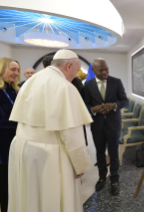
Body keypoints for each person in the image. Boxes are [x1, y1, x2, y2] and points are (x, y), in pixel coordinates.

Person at [8, 49, 93, 212]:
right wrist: (80, 165)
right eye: (76, 71)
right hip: (47, 155)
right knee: (50, 200)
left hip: (21, 148)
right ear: (69, 66)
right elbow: (72, 134)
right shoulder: (64, 87)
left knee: (27, 198)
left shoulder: (31, 81)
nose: (76, 76)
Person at [84, 58, 128, 195]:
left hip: (113, 123)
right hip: (97, 125)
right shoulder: (88, 85)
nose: (105, 72)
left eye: (106, 69)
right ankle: (102, 177)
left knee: (114, 153)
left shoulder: (116, 82)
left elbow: (124, 100)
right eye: (101, 70)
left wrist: (114, 106)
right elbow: (85, 104)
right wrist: (93, 109)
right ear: (94, 70)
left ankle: (115, 180)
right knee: (99, 153)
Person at [0, 57, 20, 212]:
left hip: (15, 143)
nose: (17, 73)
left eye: (18, 70)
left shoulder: (14, 90)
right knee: (5, 186)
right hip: (3, 147)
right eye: (13, 69)